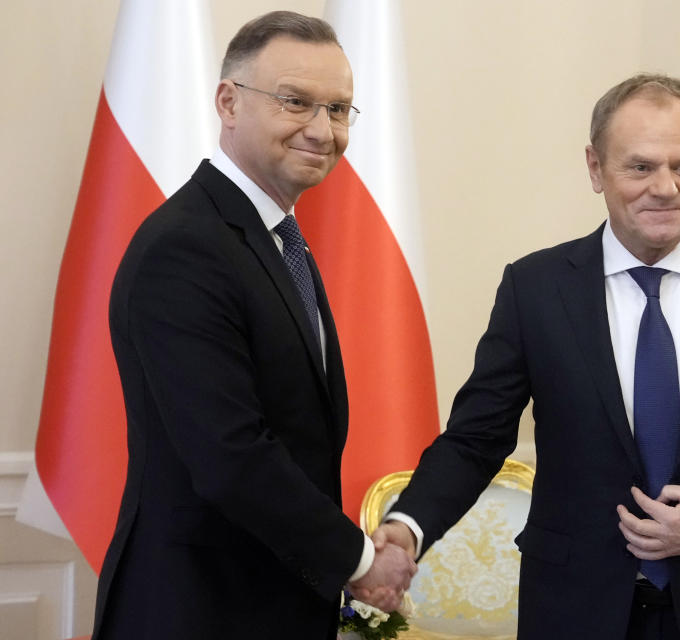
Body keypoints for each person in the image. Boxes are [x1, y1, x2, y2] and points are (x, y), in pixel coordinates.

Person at [374, 73, 680, 639]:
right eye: (641, 167)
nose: (666, 187)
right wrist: (409, 525)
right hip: (574, 608)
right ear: (596, 169)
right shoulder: (537, 288)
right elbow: (476, 438)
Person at [91, 12, 415, 640]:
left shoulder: (275, 238)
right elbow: (230, 455)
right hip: (198, 609)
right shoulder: (184, 248)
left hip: (274, 602)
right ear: (228, 102)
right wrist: (361, 562)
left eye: (341, 109)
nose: (323, 130)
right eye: (296, 102)